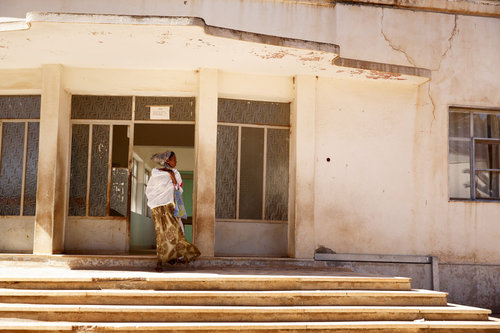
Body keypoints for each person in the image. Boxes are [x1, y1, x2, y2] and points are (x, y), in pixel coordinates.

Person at [146, 150, 200, 271]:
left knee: (175, 232)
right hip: (157, 208)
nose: (176, 161)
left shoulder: (175, 173)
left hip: (170, 207)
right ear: (167, 161)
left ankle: (178, 255)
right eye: (174, 159)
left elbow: (178, 189)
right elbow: (150, 190)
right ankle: (160, 262)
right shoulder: (155, 173)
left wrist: (172, 176)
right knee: (161, 235)